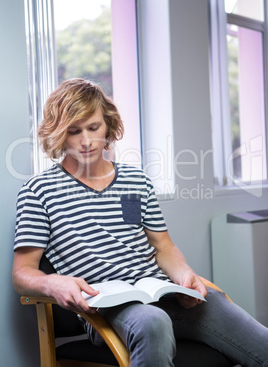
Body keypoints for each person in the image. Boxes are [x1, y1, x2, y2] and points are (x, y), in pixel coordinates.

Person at [13, 78, 268, 366]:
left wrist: (184, 275)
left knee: (251, 334)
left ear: (108, 125)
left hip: (164, 294)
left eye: (93, 128)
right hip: (108, 308)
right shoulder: (39, 191)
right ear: (60, 134)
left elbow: (164, 248)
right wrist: (53, 284)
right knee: (152, 321)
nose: (85, 141)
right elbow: (22, 273)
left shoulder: (137, 180)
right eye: (74, 131)